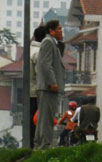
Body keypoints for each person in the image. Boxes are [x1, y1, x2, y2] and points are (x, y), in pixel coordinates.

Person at [34, 20, 65, 149]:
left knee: (43, 117)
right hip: (48, 88)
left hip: (47, 88)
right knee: (47, 119)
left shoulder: (53, 43)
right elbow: (45, 64)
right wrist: (52, 82)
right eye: (59, 29)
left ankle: (39, 143)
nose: (61, 32)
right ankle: (45, 145)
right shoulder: (48, 42)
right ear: (51, 31)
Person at [29, 25, 47, 149]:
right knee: (39, 121)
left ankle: (30, 145)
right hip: (38, 91)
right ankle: (38, 146)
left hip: (29, 91)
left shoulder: (29, 50)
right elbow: (41, 73)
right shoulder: (39, 52)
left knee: (31, 120)